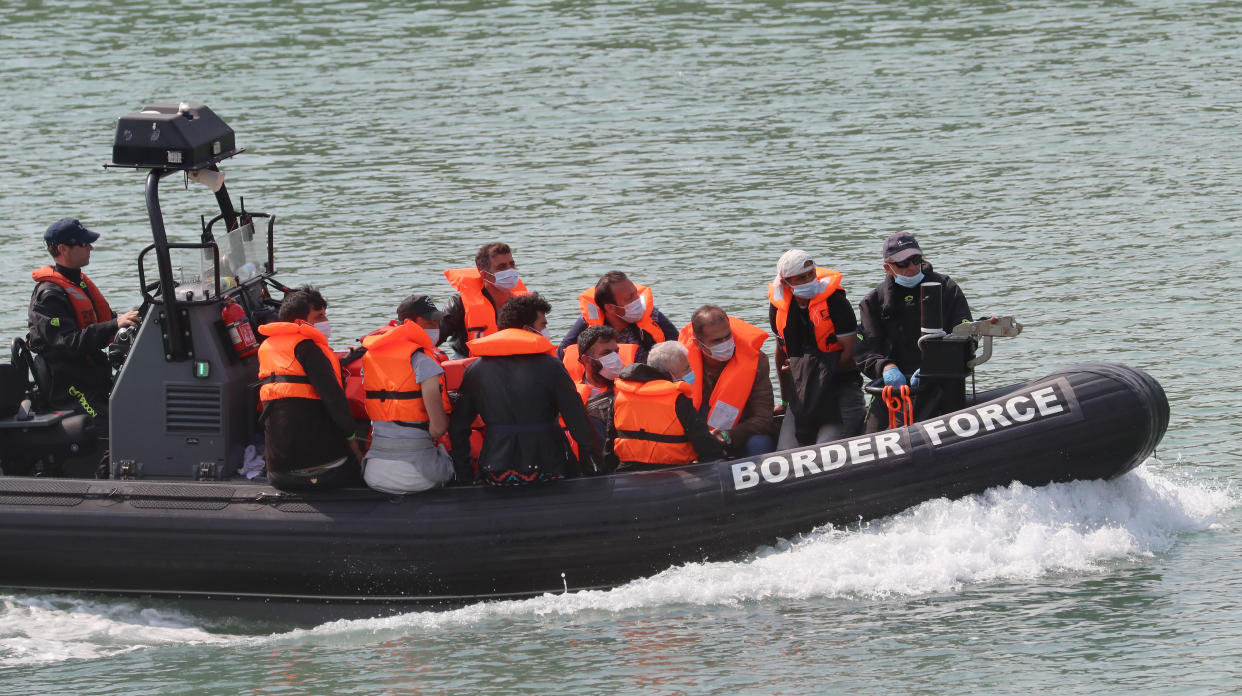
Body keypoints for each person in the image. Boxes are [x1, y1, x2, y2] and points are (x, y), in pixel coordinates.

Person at [448, 293, 598, 486]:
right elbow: (577, 419)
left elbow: (458, 426)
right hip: (549, 466)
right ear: (528, 329)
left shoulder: (475, 370)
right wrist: (592, 466)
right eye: (543, 325)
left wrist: (465, 474)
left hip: (496, 470)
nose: (546, 329)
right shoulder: (551, 366)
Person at [857, 233, 972, 432]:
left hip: (941, 381)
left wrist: (934, 364)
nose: (911, 267)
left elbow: (965, 336)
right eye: (903, 263)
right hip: (893, 389)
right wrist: (886, 367)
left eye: (916, 260)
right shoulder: (872, 302)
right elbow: (866, 351)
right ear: (888, 267)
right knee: (874, 434)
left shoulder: (947, 289)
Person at [27, 218, 140, 418]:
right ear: (63, 249)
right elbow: (69, 342)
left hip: (93, 376)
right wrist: (114, 324)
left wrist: (134, 320)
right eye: (84, 243)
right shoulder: (49, 297)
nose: (91, 248)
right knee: (116, 426)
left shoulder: (78, 283)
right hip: (69, 388)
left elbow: (104, 321)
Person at [257, 285, 362, 491]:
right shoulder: (310, 349)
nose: (325, 322)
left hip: (278, 474)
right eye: (320, 316)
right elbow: (335, 402)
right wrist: (354, 444)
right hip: (321, 472)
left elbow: (295, 378)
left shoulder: (267, 348)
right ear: (300, 322)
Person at [359, 295, 455, 494]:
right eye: (429, 322)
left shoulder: (369, 358)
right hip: (417, 475)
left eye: (437, 322)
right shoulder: (424, 363)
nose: (435, 327)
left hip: (373, 473)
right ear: (410, 324)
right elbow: (438, 428)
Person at [769, 249, 864, 448]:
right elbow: (781, 352)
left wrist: (808, 371)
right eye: (801, 278)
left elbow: (850, 356)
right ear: (786, 283)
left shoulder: (836, 303)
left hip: (839, 390)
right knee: (784, 453)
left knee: (828, 450)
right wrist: (786, 401)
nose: (809, 280)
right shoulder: (779, 308)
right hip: (801, 394)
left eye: (811, 274)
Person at [678, 305, 778, 458]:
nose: (725, 343)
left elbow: (763, 419)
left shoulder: (757, 361)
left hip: (739, 433)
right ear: (698, 344)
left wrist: (727, 436)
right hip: (697, 433)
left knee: (760, 443)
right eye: (717, 340)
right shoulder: (678, 364)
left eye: (728, 336)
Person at [611, 341, 723, 470]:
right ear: (670, 374)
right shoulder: (679, 401)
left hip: (627, 473)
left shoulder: (619, 398)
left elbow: (611, 443)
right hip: (675, 474)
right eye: (687, 369)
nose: (691, 372)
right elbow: (705, 444)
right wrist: (718, 447)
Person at [557, 271, 677, 366]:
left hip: (645, 385)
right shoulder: (588, 324)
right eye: (630, 298)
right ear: (611, 308)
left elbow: (679, 345)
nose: (637, 300)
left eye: (636, 293)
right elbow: (562, 354)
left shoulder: (652, 315)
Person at [439, 242, 529, 357]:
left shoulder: (525, 303)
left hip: (514, 366)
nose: (510, 270)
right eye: (502, 267)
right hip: (473, 368)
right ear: (485, 275)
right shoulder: (459, 304)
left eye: (512, 264)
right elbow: (433, 338)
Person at [573, 325, 625, 471]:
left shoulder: (633, 388)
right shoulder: (570, 394)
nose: (614, 358)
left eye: (616, 352)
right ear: (586, 360)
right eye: (607, 353)